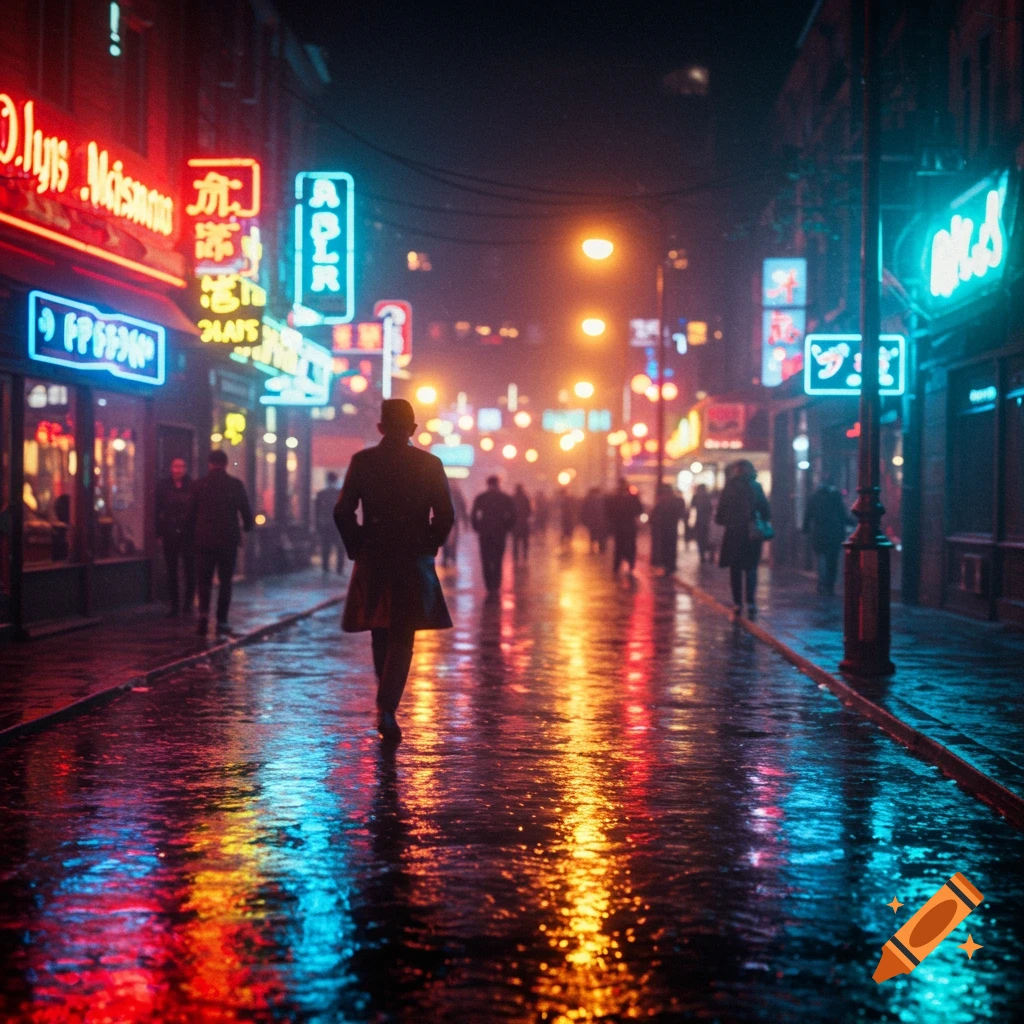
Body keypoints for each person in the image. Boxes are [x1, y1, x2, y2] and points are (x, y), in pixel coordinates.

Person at [334, 399, 454, 742]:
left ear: (381, 428)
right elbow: (445, 515)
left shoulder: (364, 461)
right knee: (403, 632)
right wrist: (429, 545)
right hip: (412, 554)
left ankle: (384, 702)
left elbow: (343, 511)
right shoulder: (429, 463)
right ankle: (387, 707)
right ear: (413, 429)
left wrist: (356, 545)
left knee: (378, 628)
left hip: (374, 551)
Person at [189, 449, 254, 636]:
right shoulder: (235, 484)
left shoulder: (198, 485)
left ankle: (202, 617)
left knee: (204, 581)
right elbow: (246, 511)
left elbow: (191, 513)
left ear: (209, 463)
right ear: (225, 464)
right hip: (228, 540)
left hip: (204, 540)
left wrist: (190, 534)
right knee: (226, 581)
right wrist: (248, 527)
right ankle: (222, 620)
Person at [716, 460, 771, 615]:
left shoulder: (730, 488)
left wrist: (728, 520)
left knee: (735, 569)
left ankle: (738, 602)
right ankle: (751, 601)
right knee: (751, 567)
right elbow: (766, 511)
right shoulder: (756, 487)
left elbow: (720, 515)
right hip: (751, 533)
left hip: (734, 533)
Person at [155, 457, 195, 616]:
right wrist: (158, 533)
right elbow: (157, 509)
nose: (178, 469)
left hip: (187, 532)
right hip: (170, 531)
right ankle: (174, 604)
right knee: (171, 569)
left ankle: (188, 603)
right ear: (170, 468)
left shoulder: (192, 485)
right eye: (175, 466)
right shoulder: (163, 485)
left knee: (189, 568)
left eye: (181, 466)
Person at [803, 476, 852, 595]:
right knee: (832, 560)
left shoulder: (814, 498)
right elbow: (842, 515)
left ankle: (822, 583)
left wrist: (806, 528)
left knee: (821, 558)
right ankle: (830, 585)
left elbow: (808, 515)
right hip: (834, 532)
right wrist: (853, 522)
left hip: (819, 531)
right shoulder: (835, 497)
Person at [471, 475, 517, 594]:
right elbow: (513, 515)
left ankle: (489, 585)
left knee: (485, 559)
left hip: (485, 533)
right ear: (498, 484)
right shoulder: (505, 498)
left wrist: (478, 527)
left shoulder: (481, 498)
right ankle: (496, 585)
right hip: (500, 533)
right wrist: (506, 527)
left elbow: (473, 515)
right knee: (497, 559)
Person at [605, 478, 643, 576]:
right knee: (629, 546)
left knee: (619, 546)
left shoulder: (614, 498)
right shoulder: (632, 498)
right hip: (628, 526)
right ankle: (629, 564)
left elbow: (608, 512)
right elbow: (639, 509)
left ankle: (618, 566)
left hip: (620, 526)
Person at [650, 484, 687, 574]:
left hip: (664, 528)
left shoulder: (663, 502)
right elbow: (681, 512)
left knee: (665, 547)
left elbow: (655, 515)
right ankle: (670, 565)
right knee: (671, 547)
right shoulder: (676, 501)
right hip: (672, 527)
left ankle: (667, 565)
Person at [315, 471, 344, 574]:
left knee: (326, 547)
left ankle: (325, 568)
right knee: (340, 548)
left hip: (326, 524)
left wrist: (317, 526)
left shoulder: (321, 494)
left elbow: (316, 511)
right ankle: (339, 569)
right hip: (338, 525)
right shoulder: (341, 493)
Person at [442, 481, 469, 567]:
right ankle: (451, 557)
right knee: (452, 539)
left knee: (446, 538)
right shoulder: (457, 494)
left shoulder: (444, 494)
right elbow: (463, 507)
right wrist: (465, 522)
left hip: (447, 520)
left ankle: (447, 557)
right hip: (453, 520)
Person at [580, 486, 608, 553]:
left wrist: (584, 521)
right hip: (602, 521)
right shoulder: (604, 499)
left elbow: (583, 511)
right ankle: (602, 548)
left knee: (593, 535)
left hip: (592, 521)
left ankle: (592, 548)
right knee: (601, 535)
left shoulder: (588, 500)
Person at [691, 484, 714, 564]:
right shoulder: (709, 496)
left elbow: (692, 508)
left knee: (700, 539)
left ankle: (702, 556)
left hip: (699, 521)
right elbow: (711, 508)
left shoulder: (695, 496)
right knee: (709, 539)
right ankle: (711, 556)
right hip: (708, 521)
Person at [511, 483, 532, 564]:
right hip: (524, 523)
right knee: (525, 542)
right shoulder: (525, 498)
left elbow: (510, 511)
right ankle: (525, 557)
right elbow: (529, 510)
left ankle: (515, 558)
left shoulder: (512, 498)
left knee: (515, 542)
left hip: (515, 524)